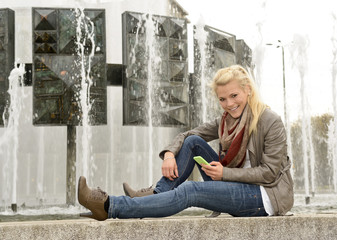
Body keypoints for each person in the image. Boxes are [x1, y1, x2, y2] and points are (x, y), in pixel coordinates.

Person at [78, 65, 294, 221]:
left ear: (248, 89)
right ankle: (157, 195)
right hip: (232, 184)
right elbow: (188, 134)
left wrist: (224, 174)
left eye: (234, 95)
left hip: (264, 197)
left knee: (191, 189)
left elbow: (269, 173)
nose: (229, 104)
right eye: (222, 99)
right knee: (192, 141)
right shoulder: (225, 121)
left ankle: (109, 206)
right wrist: (170, 154)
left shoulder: (270, 120)